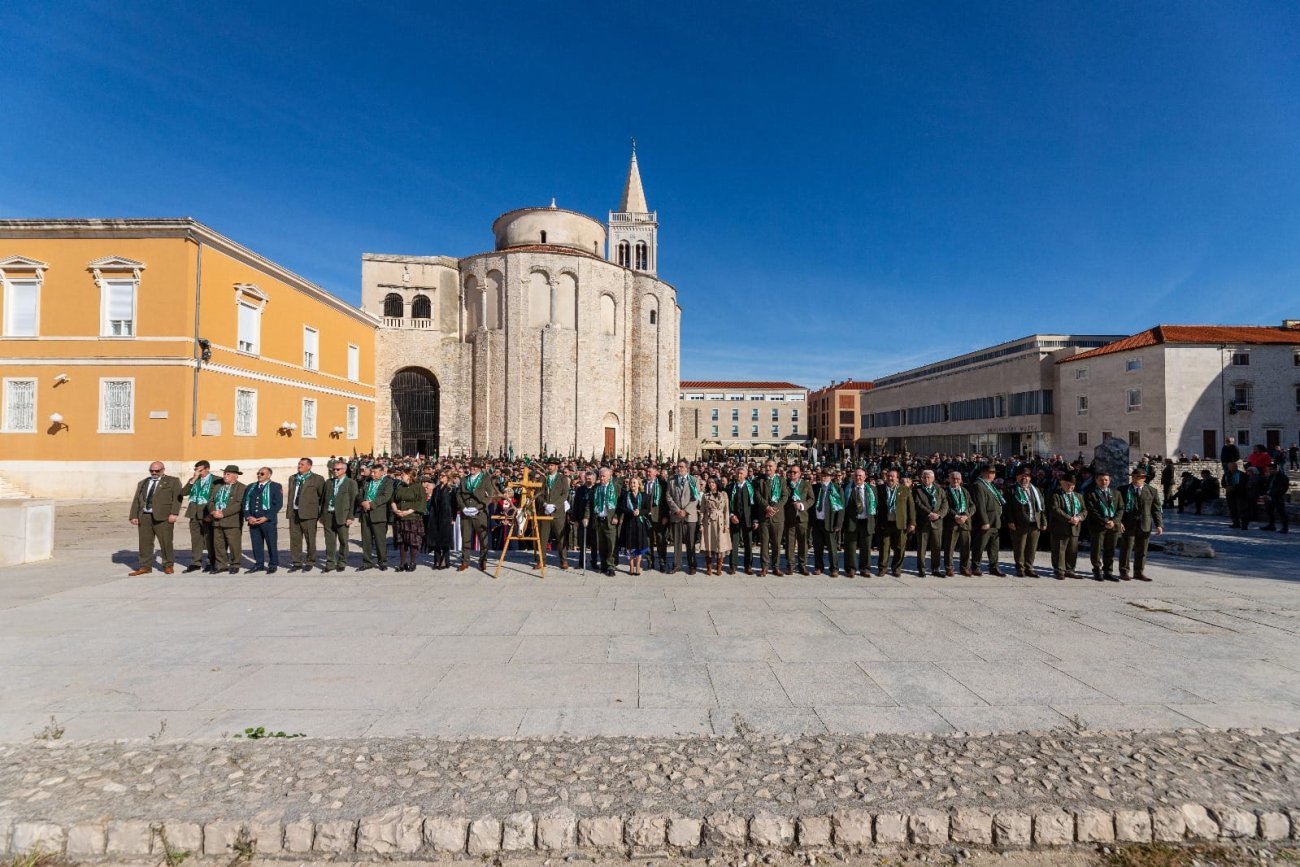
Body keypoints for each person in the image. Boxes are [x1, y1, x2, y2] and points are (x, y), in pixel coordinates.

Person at [128, 461, 182, 575]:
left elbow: (177, 499)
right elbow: (137, 500)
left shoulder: (173, 481)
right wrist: (133, 515)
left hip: (163, 517)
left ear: (163, 470)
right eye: (151, 470)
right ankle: (145, 566)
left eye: (157, 471)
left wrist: (174, 513)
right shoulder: (143, 483)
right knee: (144, 543)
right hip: (145, 516)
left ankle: (168, 565)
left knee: (166, 542)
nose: (154, 473)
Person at [456, 458, 502, 572]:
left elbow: (489, 496)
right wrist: (463, 508)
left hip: (479, 513)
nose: (472, 468)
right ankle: (465, 561)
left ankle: (483, 561)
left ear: (479, 468)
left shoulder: (485, 479)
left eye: (475, 467)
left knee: (483, 538)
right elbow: (458, 495)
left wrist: (478, 508)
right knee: (466, 538)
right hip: (466, 513)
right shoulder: (464, 479)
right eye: (471, 466)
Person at [1118, 467, 1162, 581]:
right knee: (1126, 548)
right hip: (1128, 523)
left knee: (1142, 550)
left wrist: (1159, 524)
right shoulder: (1123, 490)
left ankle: (1139, 572)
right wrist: (1119, 522)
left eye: (1140, 477)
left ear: (1144, 478)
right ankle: (1124, 571)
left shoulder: (1152, 491)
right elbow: (1118, 508)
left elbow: (1156, 509)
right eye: (1134, 477)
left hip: (1145, 524)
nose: (1136, 479)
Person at [284, 458, 325, 572]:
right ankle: (296, 562)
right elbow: (291, 495)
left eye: (302, 464)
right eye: (299, 464)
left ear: (309, 466)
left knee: (310, 539)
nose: (299, 466)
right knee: (295, 539)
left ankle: (310, 561)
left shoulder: (317, 479)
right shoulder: (293, 478)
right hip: (294, 513)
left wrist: (320, 514)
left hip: (309, 514)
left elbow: (322, 497)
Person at [1005, 466, 1047, 577]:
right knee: (1020, 547)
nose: (1025, 478)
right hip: (1019, 524)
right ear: (1017, 477)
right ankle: (1020, 568)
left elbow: (1042, 507)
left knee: (1032, 548)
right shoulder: (1012, 490)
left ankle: (1029, 567)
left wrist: (1043, 521)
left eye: (1027, 476)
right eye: (1022, 476)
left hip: (1035, 523)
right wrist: (1010, 521)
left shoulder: (1036, 490)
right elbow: (1007, 508)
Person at [207, 465, 247, 574]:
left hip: (231, 521)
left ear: (235, 476)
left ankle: (235, 564)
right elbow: (210, 501)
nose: (225, 476)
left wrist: (223, 513)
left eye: (228, 474)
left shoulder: (241, 487)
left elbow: (239, 504)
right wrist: (213, 511)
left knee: (234, 544)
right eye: (224, 473)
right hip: (216, 520)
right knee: (218, 544)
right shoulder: (218, 486)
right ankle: (221, 565)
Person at [242, 467, 283, 574]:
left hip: (267, 521)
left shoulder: (275, 486)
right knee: (256, 544)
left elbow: (278, 504)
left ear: (269, 475)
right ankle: (259, 564)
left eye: (262, 473)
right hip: (253, 520)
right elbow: (245, 503)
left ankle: (273, 564)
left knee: (271, 543)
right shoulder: (251, 487)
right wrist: (248, 516)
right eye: (258, 473)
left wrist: (266, 517)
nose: (259, 475)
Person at [876, 469, 915, 577]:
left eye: (893, 476)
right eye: (888, 476)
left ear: (897, 478)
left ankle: (896, 568)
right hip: (885, 522)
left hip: (900, 523)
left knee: (899, 547)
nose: (890, 478)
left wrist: (912, 523)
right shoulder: (880, 489)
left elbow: (910, 507)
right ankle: (882, 568)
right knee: (884, 547)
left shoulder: (905, 490)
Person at [322, 459, 359, 572]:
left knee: (343, 540)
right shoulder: (329, 482)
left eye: (338, 469)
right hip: (328, 515)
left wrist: (350, 516)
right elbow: (323, 499)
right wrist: (322, 515)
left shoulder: (351, 483)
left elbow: (354, 501)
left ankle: (342, 562)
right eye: (334, 469)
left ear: (344, 470)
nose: (335, 471)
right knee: (329, 541)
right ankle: (330, 562)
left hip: (342, 516)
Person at [1085, 470, 1123, 580]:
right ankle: (1097, 570)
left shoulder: (1116, 493)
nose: (1104, 482)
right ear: (1096, 481)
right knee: (1097, 549)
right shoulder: (1090, 493)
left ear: (1110, 481)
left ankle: (1108, 571)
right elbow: (1091, 510)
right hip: (1098, 526)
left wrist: (1114, 521)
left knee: (1110, 549)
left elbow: (1120, 509)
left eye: (1106, 480)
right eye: (1101, 480)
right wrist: (1104, 521)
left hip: (1113, 526)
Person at [1048, 472, 1086, 579]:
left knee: (1072, 550)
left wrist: (1078, 518)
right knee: (1060, 549)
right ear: (1061, 483)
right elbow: (1056, 509)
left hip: (1075, 527)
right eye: (1068, 484)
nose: (1070, 487)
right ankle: (1059, 570)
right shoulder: (1056, 495)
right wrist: (1069, 518)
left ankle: (1070, 569)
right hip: (1060, 527)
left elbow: (1084, 510)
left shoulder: (1078, 496)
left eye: (1072, 485)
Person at [180, 460, 216, 572]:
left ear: (207, 469)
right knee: (196, 539)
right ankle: (196, 562)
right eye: (196, 470)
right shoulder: (194, 480)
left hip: (206, 512)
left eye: (199, 470)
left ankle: (212, 561)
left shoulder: (216, 480)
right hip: (193, 512)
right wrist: (193, 480)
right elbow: (183, 492)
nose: (197, 472)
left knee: (209, 538)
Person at [359, 462, 395, 571]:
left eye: (375, 472)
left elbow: (386, 496)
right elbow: (359, 494)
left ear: (382, 472)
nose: (372, 474)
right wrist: (362, 502)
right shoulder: (366, 481)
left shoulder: (387, 482)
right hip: (365, 513)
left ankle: (382, 561)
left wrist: (371, 504)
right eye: (372, 472)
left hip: (378, 514)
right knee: (366, 540)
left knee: (380, 540)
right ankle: (367, 562)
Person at [912, 469, 948, 577]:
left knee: (936, 547)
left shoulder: (940, 490)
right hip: (924, 522)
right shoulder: (917, 490)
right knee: (922, 547)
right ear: (921, 478)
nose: (926, 479)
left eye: (928, 477)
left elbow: (945, 504)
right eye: (924, 477)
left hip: (937, 523)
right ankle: (921, 569)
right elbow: (918, 504)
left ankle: (936, 569)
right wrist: (930, 513)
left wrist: (939, 515)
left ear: (933, 478)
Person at [754, 459, 788, 576]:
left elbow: (784, 496)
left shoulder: (781, 480)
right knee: (764, 543)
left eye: (770, 466)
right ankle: (764, 567)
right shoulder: (760, 480)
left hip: (777, 517)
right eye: (766, 466)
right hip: (764, 516)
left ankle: (776, 567)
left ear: (775, 468)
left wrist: (775, 509)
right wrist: (767, 507)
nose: (767, 468)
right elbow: (758, 496)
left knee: (776, 543)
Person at [665, 460, 699, 575]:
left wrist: (686, 511)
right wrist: (677, 510)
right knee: (677, 542)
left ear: (687, 468)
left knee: (690, 542)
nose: (679, 468)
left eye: (681, 466)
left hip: (689, 516)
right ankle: (677, 564)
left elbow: (696, 498)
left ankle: (692, 565)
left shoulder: (694, 480)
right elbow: (669, 496)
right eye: (678, 466)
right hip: (676, 515)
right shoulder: (672, 481)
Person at [971, 465, 1005, 577]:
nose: (993, 475)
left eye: (994, 473)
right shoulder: (978, 485)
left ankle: (994, 566)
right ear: (984, 473)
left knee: (994, 545)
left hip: (995, 520)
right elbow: (980, 505)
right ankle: (976, 566)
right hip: (986, 521)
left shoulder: (990, 485)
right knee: (980, 544)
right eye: (991, 473)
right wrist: (984, 521)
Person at [390, 467, 427, 571]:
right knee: (402, 541)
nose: (401, 476)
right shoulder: (399, 486)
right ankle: (402, 563)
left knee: (412, 541)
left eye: (403, 474)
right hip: (400, 517)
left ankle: (413, 562)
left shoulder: (418, 487)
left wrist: (408, 511)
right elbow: (392, 499)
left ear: (409, 475)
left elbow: (421, 502)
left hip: (412, 517)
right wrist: (396, 510)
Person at [810, 467, 845, 576]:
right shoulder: (815, 487)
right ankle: (819, 567)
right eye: (823, 475)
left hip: (830, 522)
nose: (824, 477)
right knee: (817, 547)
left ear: (831, 477)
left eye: (827, 475)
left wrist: (838, 524)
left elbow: (841, 508)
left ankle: (834, 568)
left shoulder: (836, 489)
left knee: (832, 547)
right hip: (817, 521)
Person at [588, 466, 622, 576]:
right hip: (599, 520)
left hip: (610, 520)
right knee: (601, 544)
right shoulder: (596, 488)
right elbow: (590, 504)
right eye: (600, 476)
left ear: (609, 476)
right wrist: (586, 517)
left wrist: (617, 516)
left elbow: (621, 504)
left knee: (611, 544)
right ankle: (603, 564)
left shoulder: (616, 487)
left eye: (604, 476)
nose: (601, 478)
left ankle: (611, 566)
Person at [843, 468, 876, 577]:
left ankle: (865, 569)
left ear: (865, 477)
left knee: (866, 547)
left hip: (866, 521)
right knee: (850, 547)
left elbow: (877, 506)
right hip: (852, 521)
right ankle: (850, 569)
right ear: (853, 477)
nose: (858, 478)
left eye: (860, 476)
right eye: (856, 476)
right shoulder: (847, 488)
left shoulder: (872, 489)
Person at [539, 459, 571, 570]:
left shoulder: (562, 479)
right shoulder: (543, 478)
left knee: (560, 538)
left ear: (556, 466)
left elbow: (564, 494)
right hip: (545, 512)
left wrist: (555, 505)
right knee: (543, 537)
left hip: (558, 512)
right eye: (548, 465)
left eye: (552, 465)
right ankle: (541, 560)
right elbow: (538, 494)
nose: (550, 467)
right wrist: (544, 504)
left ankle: (564, 560)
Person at [943, 471, 975, 577]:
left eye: (958, 479)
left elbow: (972, 506)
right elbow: (945, 507)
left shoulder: (965, 491)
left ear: (961, 480)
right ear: (949, 479)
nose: (955, 480)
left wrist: (966, 515)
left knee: (966, 546)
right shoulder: (945, 492)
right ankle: (949, 568)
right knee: (950, 547)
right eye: (953, 478)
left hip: (965, 522)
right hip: (952, 523)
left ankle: (965, 567)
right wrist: (956, 516)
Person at [619, 475, 653, 575]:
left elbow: (648, 509)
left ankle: (638, 565)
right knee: (630, 546)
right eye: (631, 483)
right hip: (629, 523)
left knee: (639, 545)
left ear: (639, 484)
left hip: (640, 523)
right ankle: (631, 566)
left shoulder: (644, 495)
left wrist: (640, 512)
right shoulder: (626, 495)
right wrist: (631, 512)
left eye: (634, 483)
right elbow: (622, 508)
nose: (632, 484)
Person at [698, 476, 731, 576]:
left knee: (721, 545)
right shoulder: (705, 495)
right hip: (709, 522)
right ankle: (709, 567)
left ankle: (719, 567)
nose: (711, 484)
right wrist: (701, 524)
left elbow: (726, 511)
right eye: (709, 483)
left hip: (720, 522)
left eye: (713, 482)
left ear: (717, 483)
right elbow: (702, 511)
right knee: (708, 544)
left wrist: (727, 524)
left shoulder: (724, 494)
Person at [783, 465, 812, 576]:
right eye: (791, 472)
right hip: (790, 517)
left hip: (802, 517)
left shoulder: (806, 484)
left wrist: (802, 505)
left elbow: (811, 499)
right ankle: (790, 565)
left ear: (800, 473)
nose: (793, 474)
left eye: (795, 472)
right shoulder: (785, 484)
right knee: (790, 543)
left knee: (803, 542)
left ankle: (802, 565)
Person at [726, 465, 756, 574]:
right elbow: (726, 504)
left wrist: (755, 520)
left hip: (748, 519)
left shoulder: (751, 487)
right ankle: (733, 565)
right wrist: (731, 515)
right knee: (734, 542)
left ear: (746, 474)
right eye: (738, 473)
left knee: (748, 542)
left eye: (742, 473)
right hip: (735, 518)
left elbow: (755, 506)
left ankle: (748, 566)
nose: (739, 475)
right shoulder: (730, 488)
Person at [425, 471, 456, 569]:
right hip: (435, 516)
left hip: (446, 516)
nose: (440, 477)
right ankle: (437, 560)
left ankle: (445, 560)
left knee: (445, 539)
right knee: (436, 539)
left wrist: (453, 518)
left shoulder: (451, 489)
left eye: (443, 476)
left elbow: (454, 505)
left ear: (448, 477)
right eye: (440, 476)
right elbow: (433, 503)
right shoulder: (436, 488)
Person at [643, 466, 669, 571]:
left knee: (660, 540)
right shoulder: (643, 484)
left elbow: (666, 502)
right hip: (646, 516)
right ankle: (650, 561)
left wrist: (666, 516)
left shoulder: (662, 484)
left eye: (650, 472)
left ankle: (662, 562)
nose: (648, 474)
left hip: (659, 516)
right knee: (648, 540)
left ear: (655, 473)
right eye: (647, 472)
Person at [571, 471, 597, 571]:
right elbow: (576, 504)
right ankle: (582, 562)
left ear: (594, 479)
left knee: (594, 543)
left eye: (590, 479)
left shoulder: (596, 489)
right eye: (586, 479)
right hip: (582, 519)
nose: (588, 481)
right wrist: (575, 519)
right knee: (582, 542)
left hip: (594, 520)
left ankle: (594, 562)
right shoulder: (580, 489)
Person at [1263, 463, 1291, 533]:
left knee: (1281, 512)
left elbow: (1282, 488)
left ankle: (1285, 527)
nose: (1269, 471)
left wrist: (1273, 494)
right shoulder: (1271, 476)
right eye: (1268, 469)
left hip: (1277, 497)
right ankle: (1271, 525)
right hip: (1268, 496)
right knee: (1269, 511)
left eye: (1271, 469)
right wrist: (1266, 493)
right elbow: (1268, 485)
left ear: (1276, 469)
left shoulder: (1283, 477)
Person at [1223, 462, 1248, 529]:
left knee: (1241, 510)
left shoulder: (1241, 474)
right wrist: (1226, 487)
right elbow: (1223, 482)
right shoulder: (1226, 474)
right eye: (1230, 466)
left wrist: (1233, 487)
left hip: (1239, 494)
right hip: (1230, 494)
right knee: (1232, 509)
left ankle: (1244, 524)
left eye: (1233, 466)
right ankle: (1235, 523)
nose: (1232, 468)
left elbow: (1243, 484)